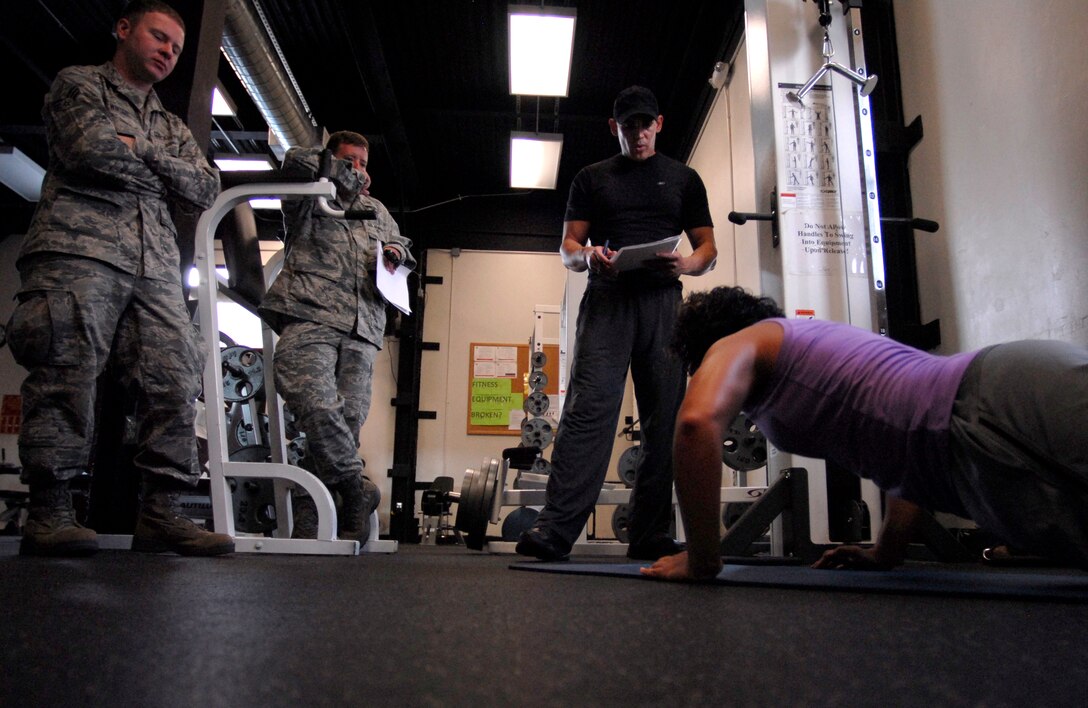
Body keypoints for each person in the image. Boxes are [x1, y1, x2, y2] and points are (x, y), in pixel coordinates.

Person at [641, 286, 1088, 581]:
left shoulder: (743, 341)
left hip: (995, 413)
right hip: (998, 400)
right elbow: (906, 453)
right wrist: (885, 551)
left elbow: (696, 424)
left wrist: (701, 559)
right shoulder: (805, 343)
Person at [7, 0, 233, 556]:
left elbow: (205, 189)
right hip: (76, 250)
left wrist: (142, 150)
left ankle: (161, 512)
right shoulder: (78, 85)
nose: (168, 52)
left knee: (177, 379)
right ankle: (51, 511)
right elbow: (88, 150)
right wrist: (163, 171)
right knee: (67, 373)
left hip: (154, 266)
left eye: (177, 49)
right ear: (125, 29)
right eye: (160, 38)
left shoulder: (168, 124)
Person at [516, 86, 718, 562]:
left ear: (660, 124)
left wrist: (686, 266)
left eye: (647, 125)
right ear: (616, 128)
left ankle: (648, 533)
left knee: (665, 418)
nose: (640, 134)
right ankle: (556, 529)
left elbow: (707, 249)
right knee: (589, 412)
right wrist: (587, 256)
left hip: (664, 303)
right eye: (630, 127)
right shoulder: (592, 178)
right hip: (609, 301)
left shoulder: (685, 179)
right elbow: (567, 247)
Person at [259, 131, 415, 543]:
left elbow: (401, 242)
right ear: (332, 159)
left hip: (363, 326)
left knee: (344, 425)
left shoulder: (376, 210)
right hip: (311, 313)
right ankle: (354, 487)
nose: (358, 170)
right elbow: (293, 160)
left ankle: (312, 523)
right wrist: (338, 175)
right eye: (349, 160)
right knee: (313, 399)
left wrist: (396, 251)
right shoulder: (310, 194)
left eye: (363, 163)